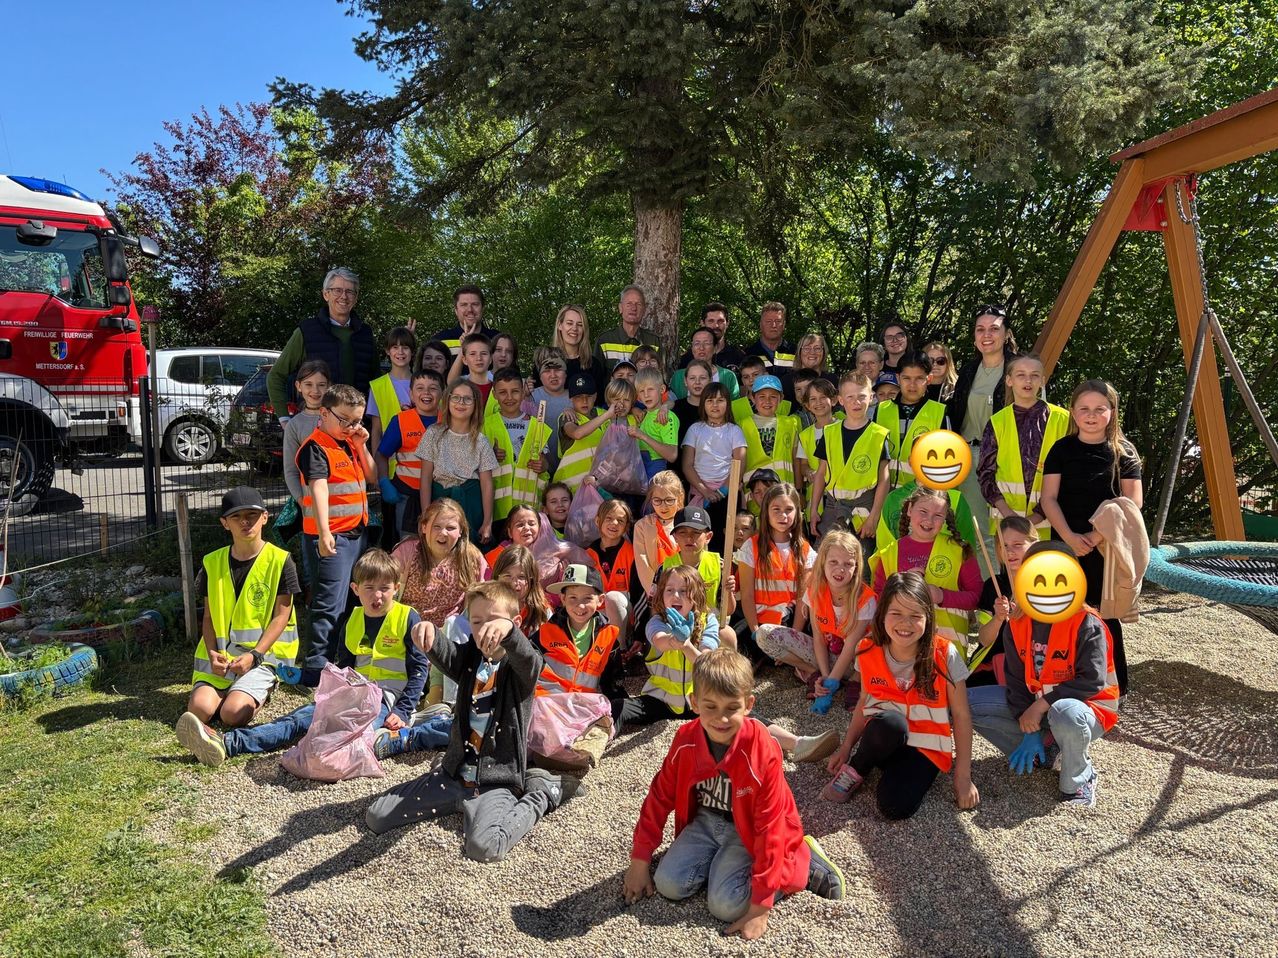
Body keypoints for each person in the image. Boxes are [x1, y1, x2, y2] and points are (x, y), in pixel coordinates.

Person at [623, 648, 847, 941]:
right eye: (710, 706)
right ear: (694, 702)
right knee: (668, 885)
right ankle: (719, 867)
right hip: (705, 822)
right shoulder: (685, 739)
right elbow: (659, 797)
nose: (721, 718)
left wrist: (760, 907)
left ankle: (802, 857)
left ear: (749, 704)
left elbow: (770, 827)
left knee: (726, 906)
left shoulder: (763, 750)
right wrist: (640, 859)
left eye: (732, 707)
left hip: (750, 831)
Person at [365, 581, 588, 858]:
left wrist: (509, 633)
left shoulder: (521, 668)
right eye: (477, 621)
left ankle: (543, 792)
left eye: (493, 620)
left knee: (485, 847)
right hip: (453, 775)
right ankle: (458, 796)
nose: (484, 629)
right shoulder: (470, 657)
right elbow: (447, 653)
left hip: (496, 781)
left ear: (515, 622)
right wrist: (428, 631)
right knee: (377, 816)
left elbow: (529, 660)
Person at [176, 549, 442, 766]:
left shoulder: (407, 617)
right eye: (369, 587)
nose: (378, 595)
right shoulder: (352, 620)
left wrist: (402, 710)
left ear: (396, 588)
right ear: (354, 589)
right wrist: (303, 676)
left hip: (384, 701)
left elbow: (420, 669)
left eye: (385, 588)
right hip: (353, 693)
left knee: (344, 734)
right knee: (300, 719)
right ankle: (227, 744)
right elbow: (343, 670)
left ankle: (413, 724)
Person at [966, 541, 1120, 807]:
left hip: (1089, 709)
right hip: (1042, 707)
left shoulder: (1086, 622)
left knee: (1065, 714)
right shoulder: (1017, 623)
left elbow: (1092, 681)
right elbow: (1015, 681)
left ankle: (1079, 779)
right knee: (965, 704)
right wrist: (1030, 729)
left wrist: (1038, 707)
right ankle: (1047, 750)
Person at [822, 571, 980, 818]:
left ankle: (896, 770)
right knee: (890, 723)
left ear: (928, 618)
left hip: (925, 748)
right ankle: (858, 767)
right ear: (882, 614)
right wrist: (846, 747)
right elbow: (864, 702)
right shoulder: (867, 649)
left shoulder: (944, 654)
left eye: (915, 616)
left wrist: (963, 777)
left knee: (894, 808)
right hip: (885, 734)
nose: (905, 624)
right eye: (896, 613)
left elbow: (961, 716)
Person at [1040, 379, 1143, 696]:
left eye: (1100, 409)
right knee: (1064, 612)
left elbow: (1132, 502)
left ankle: (1114, 687)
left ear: (1112, 412)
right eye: (1084, 409)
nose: (1091, 415)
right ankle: (1066, 681)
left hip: (1106, 549)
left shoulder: (1124, 452)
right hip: (1066, 545)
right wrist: (1071, 537)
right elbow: (1048, 499)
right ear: (1073, 412)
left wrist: (1095, 536)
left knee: (1103, 616)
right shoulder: (1062, 449)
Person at [185, 487, 300, 729]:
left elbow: (282, 616)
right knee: (199, 710)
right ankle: (227, 694)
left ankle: (255, 691)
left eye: (252, 515)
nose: (245, 522)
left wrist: (254, 656)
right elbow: (207, 617)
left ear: (265, 518)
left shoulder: (281, 561)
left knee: (232, 714)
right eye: (236, 516)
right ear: (224, 523)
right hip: (223, 657)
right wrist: (212, 652)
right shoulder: (211, 562)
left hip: (263, 656)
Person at [296, 384, 376, 672]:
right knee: (328, 604)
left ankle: (341, 663)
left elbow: (372, 475)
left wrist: (361, 444)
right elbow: (318, 490)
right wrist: (324, 533)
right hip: (332, 537)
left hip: (355, 533)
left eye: (357, 421)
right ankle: (316, 670)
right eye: (345, 420)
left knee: (349, 602)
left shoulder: (348, 443)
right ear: (324, 412)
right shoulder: (315, 448)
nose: (351, 426)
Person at [756, 530, 874, 705]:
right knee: (764, 634)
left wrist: (831, 682)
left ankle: (853, 681)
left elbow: (851, 646)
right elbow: (818, 638)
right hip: (826, 657)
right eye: (833, 562)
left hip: (855, 663)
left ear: (856, 567)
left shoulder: (866, 598)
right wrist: (826, 677)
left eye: (848, 564)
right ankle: (813, 673)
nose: (840, 569)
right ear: (823, 562)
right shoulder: (814, 591)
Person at [947, 305, 1019, 573]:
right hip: (967, 459)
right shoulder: (967, 371)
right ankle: (987, 600)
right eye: (980, 329)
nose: (986, 335)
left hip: (1006, 460)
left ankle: (1009, 600)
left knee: (1009, 535)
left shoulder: (1019, 368)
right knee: (976, 533)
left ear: (1006, 333)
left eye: (994, 329)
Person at [871, 485, 981, 650]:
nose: (929, 521)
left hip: (948, 650)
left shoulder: (960, 551)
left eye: (937, 516)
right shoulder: (888, 554)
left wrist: (941, 595)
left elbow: (976, 597)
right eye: (923, 512)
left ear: (945, 518)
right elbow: (877, 600)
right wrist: (902, 588)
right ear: (909, 509)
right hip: (901, 647)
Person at [267, 267, 381, 423]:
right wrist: (284, 418)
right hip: (317, 425)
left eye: (349, 292)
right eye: (337, 290)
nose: (344, 296)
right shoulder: (306, 331)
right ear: (326, 294)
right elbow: (276, 376)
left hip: (357, 426)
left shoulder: (365, 334)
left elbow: (377, 381)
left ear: (356, 298)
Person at [978, 353, 1070, 539]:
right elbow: (985, 472)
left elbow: (1071, 472)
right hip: (1006, 522)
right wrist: (1008, 513)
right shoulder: (997, 421)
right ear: (1009, 380)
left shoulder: (1063, 419)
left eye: (1034, 375)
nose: (1028, 380)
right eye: (1021, 375)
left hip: (1050, 524)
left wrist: (1037, 515)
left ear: (1042, 381)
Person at [618, 564, 722, 727]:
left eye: (684, 590)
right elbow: (660, 641)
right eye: (669, 590)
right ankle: (590, 747)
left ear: (698, 594)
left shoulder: (708, 621)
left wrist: (686, 644)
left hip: (699, 701)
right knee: (618, 707)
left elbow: (706, 662)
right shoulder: (656, 621)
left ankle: (775, 738)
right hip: (660, 699)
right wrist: (675, 640)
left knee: (738, 708)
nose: (676, 595)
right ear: (661, 595)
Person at [737, 483, 814, 666]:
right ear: (766, 512)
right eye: (776, 509)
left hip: (791, 623)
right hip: (759, 622)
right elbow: (747, 595)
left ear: (797, 512)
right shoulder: (751, 546)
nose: (783, 515)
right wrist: (755, 631)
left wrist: (793, 638)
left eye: (789, 509)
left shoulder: (805, 549)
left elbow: (803, 598)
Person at [809, 372, 890, 543]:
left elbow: (884, 479)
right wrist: (814, 509)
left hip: (864, 512)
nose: (856, 402)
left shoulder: (879, 434)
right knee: (825, 559)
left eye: (862, 396)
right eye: (850, 397)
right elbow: (821, 474)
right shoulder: (829, 432)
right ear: (840, 400)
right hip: (834, 508)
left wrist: (874, 517)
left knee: (861, 564)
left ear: (872, 397)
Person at [417, 379, 498, 545]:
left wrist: (487, 522)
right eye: (456, 398)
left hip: (471, 505)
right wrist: (425, 515)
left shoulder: (481, 441)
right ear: (448, 401)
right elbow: (425, 479)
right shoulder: (433, 434)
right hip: (439, 501)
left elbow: (487, 484)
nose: (461, 403)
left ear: (475, 404)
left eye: (467, 399)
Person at [392, 499, 488, 633]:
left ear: (461, 531)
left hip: (449, 636)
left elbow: (483, 600)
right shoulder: (407, 552)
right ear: (424, 527)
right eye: (436, 526)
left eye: (451, 528)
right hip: (407, 630)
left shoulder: (472, 558)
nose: (443, 533)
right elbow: (385, 590)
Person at [281, 359, 331, 580]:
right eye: (309, 384)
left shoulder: (338, 418)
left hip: (341, 505)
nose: (315, 390)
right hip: (310, 504)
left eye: (321, 385)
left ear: (329, 387)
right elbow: (290, 469)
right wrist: (301, 500)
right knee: (314, 556)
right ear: (299, 387)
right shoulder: (295, 426)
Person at [681, 381, 747, 549]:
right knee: (701, 541)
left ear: (728, 403)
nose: (715, 405)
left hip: (728, 494)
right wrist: (705, 491)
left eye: (720, 400)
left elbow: (739, 463)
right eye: (710, 400)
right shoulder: (695, 429)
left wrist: (722, 490)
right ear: (703, 404)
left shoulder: (734, 431)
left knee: (726, 542)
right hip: (701, 494)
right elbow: (687, 465)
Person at [970, 515, 1035, 685]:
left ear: (1034, 545)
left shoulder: (1044, 582)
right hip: (996, 669)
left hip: (1036, 669)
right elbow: (984, 639)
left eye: (1017, 545)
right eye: (1003, 546)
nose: (1009, 552)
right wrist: (998, 618)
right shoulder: (994, 585)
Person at [376, 369, 442, 536]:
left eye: (433, 388)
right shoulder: (401, 420)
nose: (426, 393)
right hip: (406, 495)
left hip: (441, 495)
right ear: (411, 395)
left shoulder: (449, 421)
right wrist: (384, 482)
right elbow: (382, 455)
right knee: (407, 544)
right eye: (420, 388)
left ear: (443, 393)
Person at [659, 506, 737, 646]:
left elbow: (728, 611)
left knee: (728, 634)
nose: (689, 538)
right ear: (675, 536)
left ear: (708, 537)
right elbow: (656, 607)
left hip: (709, 626)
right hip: (675, 625)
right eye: (682, 532)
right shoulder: (665, 567)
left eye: (696, 532)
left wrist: (729, 591)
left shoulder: (720, 566)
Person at [484, 368, 552, 523]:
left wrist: (543, 465)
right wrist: (489, 456)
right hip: (497, 510)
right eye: (502, 392)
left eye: (515, 391)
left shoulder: (537, 426)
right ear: (494, 395)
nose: (509, 397)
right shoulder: (486, 425)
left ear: (522, 393)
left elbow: (545, 461)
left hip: (529, 510)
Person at [367, 329, 417, 536]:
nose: (400, 352)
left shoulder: (423, 384)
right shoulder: (378, 386)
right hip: (389, 467)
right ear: (387, 351)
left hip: (418, 469)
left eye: (405, 347)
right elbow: (376, 431)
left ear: (413, 352)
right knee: (392, 530)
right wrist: (379, 475)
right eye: (395, 347)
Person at [876, 352, 950, 490]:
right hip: (884, 493)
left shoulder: (939, 412)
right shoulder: (881, 410)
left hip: (920, 494)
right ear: (898, 378)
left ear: (929, 379)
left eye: (919, 378)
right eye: (906, 378)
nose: (912, 384)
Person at [740, 375, 800, 488]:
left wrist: (799, 489)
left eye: (773, 397)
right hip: (755, 493)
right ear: (753, 398)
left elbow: (796, 459)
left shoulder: (791, 424)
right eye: (761, 396)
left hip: (785, 491)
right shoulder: (742, 425)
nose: (767, 401)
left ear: (781, 398)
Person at [552, 373, 606, 495]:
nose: (584, 401)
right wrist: (607, 415)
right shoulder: (567, 417)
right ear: (570, 399)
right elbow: (577, 434)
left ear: (595, 396)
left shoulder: (603, 414)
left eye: (588, 396)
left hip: (599, 489)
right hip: (571, 491)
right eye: (578, 397)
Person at [633, 471, 684, 597]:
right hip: (656, 592)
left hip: (686, 590)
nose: (663, 506)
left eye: (669, 500)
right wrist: (656, 591)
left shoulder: (688, 523)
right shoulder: (642, 526)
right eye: (657, 501)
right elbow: (642, 562)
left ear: (680, 497)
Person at [795, 379, 839, 518]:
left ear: (833, 400)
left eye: (822, 397)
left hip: (840, 496)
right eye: (813, 399)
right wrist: (808, 471)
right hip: (816, 499)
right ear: (807, 405)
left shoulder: (844, 427)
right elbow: (803, 464)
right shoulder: (805, 435)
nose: (818, 403)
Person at [597, 285, 661, 370]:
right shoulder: (605, 340)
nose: (633, 308)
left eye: (638, 304)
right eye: (629, 303)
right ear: (620, 308)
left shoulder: (653, 342)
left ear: (644, 310)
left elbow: (659, 377)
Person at [633, 368, 680, 481]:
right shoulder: (644, 415)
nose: (646, 395)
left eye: (650, 389)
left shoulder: (666, 416)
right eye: (641, 391)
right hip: (641, 468)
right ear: (638, 397)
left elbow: (672, 455)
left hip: (657, 470)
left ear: (662, 389)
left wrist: (642, 435)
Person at [543, 304, 606, 384]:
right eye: (569, 323)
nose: (574, 328)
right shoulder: (544, 362)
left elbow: (600, 395)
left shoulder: (593, 365)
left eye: (580, 325)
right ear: (559, 325)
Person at [671, 327, 740, 400]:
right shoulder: (678, 376)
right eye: (697, 343)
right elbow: (672, 404)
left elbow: (735, 407)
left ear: (715, 348)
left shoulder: (728, 376)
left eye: (707, 343)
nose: (701, 348)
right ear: (692, 348)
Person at [430, 284, 498, 357]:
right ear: (456, 310)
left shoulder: (497, 340)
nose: (470, 310)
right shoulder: (440, 340)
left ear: (483, 308)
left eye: (475, 304)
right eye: (464, 305)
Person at [677, 301, 746, 372]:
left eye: (720, 321)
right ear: (702, 323)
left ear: (727, 323)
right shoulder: (687, 359)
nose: (716, 325)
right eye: (711, 321)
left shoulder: (738, 356)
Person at [530, 348, 571, 463]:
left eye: (558, 369)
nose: (553, 375)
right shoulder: (531, 397)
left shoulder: (576, 399)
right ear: (539, 374)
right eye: (547, 370)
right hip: (538, 466)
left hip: (568, 467)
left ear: (566, 373)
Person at [743, 301, 796, 376]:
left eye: (778, 321)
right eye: (768, 321)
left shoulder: (795, 352)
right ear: (761, 325)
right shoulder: (748, 354)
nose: (773, 325)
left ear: (783, 325)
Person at [448, 332, 494, 408]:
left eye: (484, 353)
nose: (479, 358)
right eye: (472, 354)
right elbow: (451, 382)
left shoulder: (498, 389)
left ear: (491, 359)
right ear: (464, 359)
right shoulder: (458, 389)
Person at [672, 359, 711, 447]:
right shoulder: (675, 409)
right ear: (685, 381)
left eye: (702, 378)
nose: (697, 382)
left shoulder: (717, 409)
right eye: (692, 378)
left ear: (710, 380)